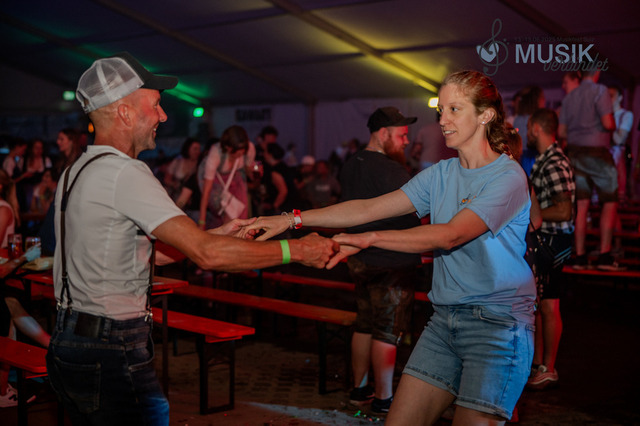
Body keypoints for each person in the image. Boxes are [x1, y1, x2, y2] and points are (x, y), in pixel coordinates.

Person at [47, 51, 338, 426]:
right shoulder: (125, 173)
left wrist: (211, 234)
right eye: (155, 104)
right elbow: (208, 256)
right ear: (124, 112)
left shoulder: (77, 171)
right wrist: (296, 250)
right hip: (110, 346)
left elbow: (140, 254)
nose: (163, 116)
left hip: (71, 339)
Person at [249, 70, 536, 424]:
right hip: (444, 320)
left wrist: (370, 238)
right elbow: (367, 208)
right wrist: (291, 219)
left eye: (454, 109)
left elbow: (450, 235)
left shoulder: (507, 177)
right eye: (441, 110)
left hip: (496, 324)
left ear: (485, 115)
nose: (442, 120)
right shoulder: (441, 174)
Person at [339, 106, 420, 416]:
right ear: (383, 134)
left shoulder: (350, 164)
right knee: (387, 330)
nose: (406, 141)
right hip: (391, 261)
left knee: (364, 324)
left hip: (359, 260)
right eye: (401, 135)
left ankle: (360, 389)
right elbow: (415, 211)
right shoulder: (391, 170)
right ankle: (384, 399)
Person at [525, 108, 575, 389]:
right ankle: (539, 364)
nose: (527, 133)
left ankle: (549, 367)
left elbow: (565, 210)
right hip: (549, 241)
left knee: (548, 304)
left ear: (536, 127)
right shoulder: (546, 159)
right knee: (541, 303)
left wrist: (531, 215)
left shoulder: (554, 162)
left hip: (554, 242)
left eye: (528, 127)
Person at [558, 68, 620, 271]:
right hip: (597, 153)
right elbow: (608, 123)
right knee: (609, 202)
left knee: (582, 206)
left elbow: (561, 131)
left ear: (579, 73)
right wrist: (611, 125)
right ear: (597, 71)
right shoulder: (600, 91)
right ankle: (604, 256)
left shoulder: (569, 97)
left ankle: (580, 256)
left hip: (575, 153)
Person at [198, 126, 255, 229]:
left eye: (242, 150)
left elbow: (248, 171)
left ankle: (239, 234)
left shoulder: (249, 149)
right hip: (216, 180)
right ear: (227, 147)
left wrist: (253, 172)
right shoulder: (216, 153)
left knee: (239, 209)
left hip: (235, 177)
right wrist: (202, 221)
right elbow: (207, 191)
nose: (240, 153)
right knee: (224, 211)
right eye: (236, 150)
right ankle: (222, 235)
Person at [513, 85, 545, 176]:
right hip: (533, 156)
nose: (544, 100)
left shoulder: (517, 119)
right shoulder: (535, 119)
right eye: (542, 98)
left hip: (521, 158)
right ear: (536, 100)